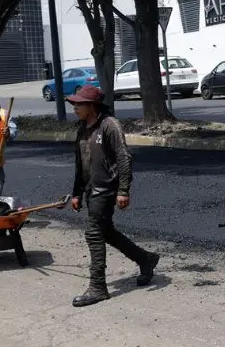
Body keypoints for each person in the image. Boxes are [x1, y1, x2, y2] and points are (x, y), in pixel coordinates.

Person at [66, 85, 159, 307]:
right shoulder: (82, 128)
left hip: (106, 190)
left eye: (79, 104)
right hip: (90, 190)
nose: (75, 108)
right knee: (105, 232)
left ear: (92, 106)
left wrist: (124, 190)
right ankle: (145, 259)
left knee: (94, 233)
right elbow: (80, 164)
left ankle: (98, 287)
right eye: (74, 104)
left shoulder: (109, 125)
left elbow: (124, 158)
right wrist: (76, 193)